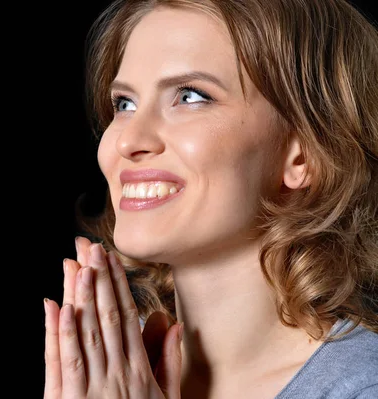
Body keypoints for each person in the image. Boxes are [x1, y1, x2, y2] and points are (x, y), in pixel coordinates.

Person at [43, 0, 378, 397]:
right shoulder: (99, 374)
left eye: (190, 96)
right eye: (124, 104)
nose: (128, 141)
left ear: (305, 151)